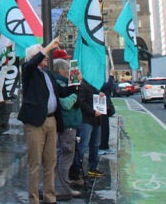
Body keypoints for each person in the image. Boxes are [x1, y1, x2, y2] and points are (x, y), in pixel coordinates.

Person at [17, 37, 77, 204]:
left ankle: (50, 198)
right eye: (43, 54)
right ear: (35, 57)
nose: (47, 57)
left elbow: (61, 92)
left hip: (51, 121)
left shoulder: (48, 74)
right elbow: (32, 63)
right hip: (35, 123)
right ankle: (34, 199)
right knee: (35, 163)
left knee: (50, 162)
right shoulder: (28, 71)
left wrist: (75, 84)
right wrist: (49, 46)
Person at [52, 52, 82, 197]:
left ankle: (61, 184)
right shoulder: (60, 82)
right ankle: (62, 185)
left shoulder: (64, 82)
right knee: (66, 152)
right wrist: (75, 92)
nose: (69, 71)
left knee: (63, 152)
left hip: (69, 121)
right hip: (67, 122)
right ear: (61, 70)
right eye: (67, 69)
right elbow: (66, 103)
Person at [77, 77, 106, 179]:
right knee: (84, 145)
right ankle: (78, 169)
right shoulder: (83, 84)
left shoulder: (94, 83)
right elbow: (81, 102)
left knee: (95, 144)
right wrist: (93, 112)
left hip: (96, 119)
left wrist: (100, 95)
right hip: (87, 119)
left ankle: (92, 168)